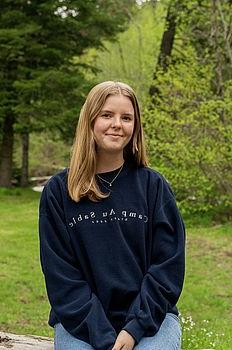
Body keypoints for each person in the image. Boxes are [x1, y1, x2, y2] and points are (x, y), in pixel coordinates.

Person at [39, 81, 185, 350]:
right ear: (90, 121)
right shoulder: (58, 192)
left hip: (152, 319)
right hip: (79, 321)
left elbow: (168, 267)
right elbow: (62, 277)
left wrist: (133, 329)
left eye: (126, 117)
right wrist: (104, 338)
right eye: (107, 115)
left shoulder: (154, 187)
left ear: (135, 126)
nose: (117, 124)